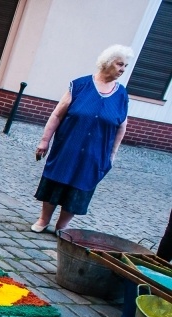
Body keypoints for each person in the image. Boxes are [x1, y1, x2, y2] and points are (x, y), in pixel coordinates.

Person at [31, 44, 133, 234]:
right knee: (56, 179)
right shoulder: (80, 85)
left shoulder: (121, 95)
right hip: (68, 145)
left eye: (125, 66)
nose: (123, 70)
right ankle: (44, 219)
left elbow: (121, 127)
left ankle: (63, 226)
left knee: (81, 185)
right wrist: (45, 140)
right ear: (107, 63)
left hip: (96, 152)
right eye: (120, 64)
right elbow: (57, 115)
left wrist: (112, 155)